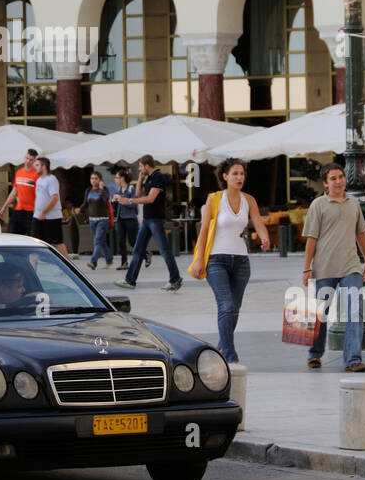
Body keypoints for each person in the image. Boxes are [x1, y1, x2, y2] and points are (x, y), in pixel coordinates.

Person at [189, 159, 270, 363]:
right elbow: (205, 229)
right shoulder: (214, 199)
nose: (239, 177)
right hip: (216, 261)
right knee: (226, 306)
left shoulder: (248, 200)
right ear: (225, 176)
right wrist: (199, 260)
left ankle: (221, 348)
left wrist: (264, 237)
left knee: (234, 309)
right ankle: (231, 355)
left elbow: (258, 223)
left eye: (242, 173)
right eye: (235, 173)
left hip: (241, 262)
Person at [302, 163, 365, 372]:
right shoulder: (318, 205)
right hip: (325, 267)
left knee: (355, 310)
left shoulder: (353, 204)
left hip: (351, 266)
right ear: (325, 183)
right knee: (321, 314)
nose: (338, 181)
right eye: (333, 178)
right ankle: (314, 354)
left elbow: (361, 233)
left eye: (340, 177)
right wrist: (307, 268)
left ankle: (353, 360)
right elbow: (311, 238)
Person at [115, 155, 182, 291]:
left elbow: (151, 198)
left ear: (146, 165)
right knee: (138, 250)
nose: (139, 169)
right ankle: (130, 280)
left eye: (140, 166)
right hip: (147, 219)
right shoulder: (149, 178)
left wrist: (129, 201)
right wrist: (140, 178)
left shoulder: (158, 177)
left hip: (156, 220)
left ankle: (175, 279)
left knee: (164, 250)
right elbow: (138, 193)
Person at [31, 156, 67, 256]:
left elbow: (54, 198)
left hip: (52, 217)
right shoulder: (39, 180)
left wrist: (44, 212)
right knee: (34, 243)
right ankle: (32, 269)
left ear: (44, 166)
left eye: (37, 165)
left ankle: (70, 267)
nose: (35, 168)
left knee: (57, 243)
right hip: (38, 217)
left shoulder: (51, 179)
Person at [0, 149, 39, 235]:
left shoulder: (37, 175)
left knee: (31, 237)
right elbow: (14, 192)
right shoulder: (19, 172)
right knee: (13, 234)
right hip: (19, 209)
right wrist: (4, 207)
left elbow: (40, 195)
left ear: (34, 161)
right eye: (27, 158)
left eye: (31, 160)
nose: (28, 161)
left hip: (31, 211)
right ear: (24, 157)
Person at [79, 171, 112, 269]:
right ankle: (109, 259)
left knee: (97, 241)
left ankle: (93, 262)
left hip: (103, 220)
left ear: (100, 180)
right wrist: (79, 209)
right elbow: (85, 204)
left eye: (96, 179)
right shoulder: (89, 190)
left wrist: (101, 189)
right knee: (101, 242)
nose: (93, 181)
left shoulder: (104, 189)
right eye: (92, 178)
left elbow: (105, 200)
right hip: (92, 220)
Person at [112, 166, 142, 270]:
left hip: (130, 218)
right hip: (120, 219)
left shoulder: (131, 188)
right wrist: (114, 201)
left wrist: (121, 199)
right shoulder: (118, 190)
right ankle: (124, 262)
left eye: (116, 177)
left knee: (132, 241)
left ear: (122, 178)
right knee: (120, 241)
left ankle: (146, 254)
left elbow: (134, 204)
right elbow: (116, 208)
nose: (115, 180)